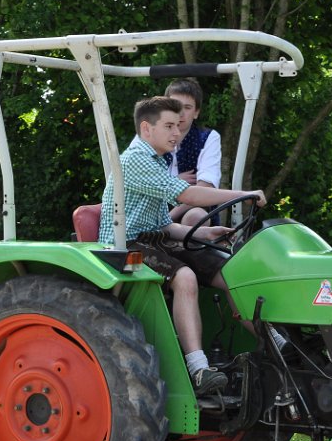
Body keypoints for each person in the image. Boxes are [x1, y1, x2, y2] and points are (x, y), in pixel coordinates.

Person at [98, 96, 266, 396]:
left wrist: (205, 233)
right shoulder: (134, 160)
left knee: (230, 271)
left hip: (154, 239)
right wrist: (244, 194)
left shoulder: (158, 160)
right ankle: (199, 368)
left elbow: (164, 225)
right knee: (185, 277)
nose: (177, 132)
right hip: (125, 245)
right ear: (147, 129)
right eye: (169, 126)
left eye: (179, 125)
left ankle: (274, 344)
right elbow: (188, 196)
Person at [164, 79, 222, 227]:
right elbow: (138, 180)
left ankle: (192, 250)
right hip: (153, 207)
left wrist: (168, 217)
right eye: (175, 106)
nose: (180, 113)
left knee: (196, 216)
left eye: (187, 107)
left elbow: (205, 188)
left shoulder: (208, 137)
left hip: (191, 207)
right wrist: (175, 182)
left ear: (196, 112)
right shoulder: (149, 135)